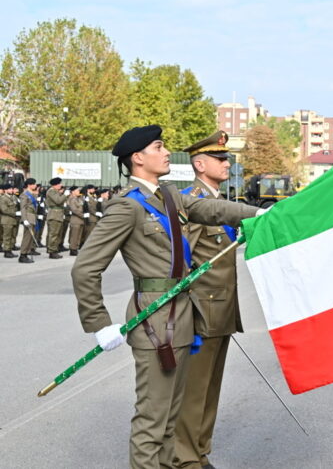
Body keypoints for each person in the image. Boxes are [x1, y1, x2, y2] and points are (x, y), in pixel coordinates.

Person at [71, 125, 260, 469]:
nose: (167, 152)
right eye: (158, 147)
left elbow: (212, 210)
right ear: (138, 158)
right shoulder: (127, 206)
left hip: (183, 316)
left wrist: (261, 214)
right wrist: (99, 323)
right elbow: (85, 268)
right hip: (154, 321)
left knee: (171, 421)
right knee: (152, 421)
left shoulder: (169, 196)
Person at [173, 131, 243, 469]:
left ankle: (200, 451)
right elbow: (181, 261)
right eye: (220, 159)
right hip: (202, 311)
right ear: (200, 165)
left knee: (211, 386)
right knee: (194, 389)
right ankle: (184, 457)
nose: (227, 164)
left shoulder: (217, 200)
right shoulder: (194, 203)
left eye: (226, 158)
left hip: (222, 309)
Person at [19, 178, 40, 263]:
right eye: (34, 184)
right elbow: (23, 208)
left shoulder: (32, 194)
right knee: (27, 237)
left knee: (30, 238)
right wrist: (24, 219)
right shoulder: (24, 194)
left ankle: (26, 253)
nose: (35, 185)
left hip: (33, 217)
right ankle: (22, 255)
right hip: (28, 217)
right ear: (29, 185)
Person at [45, 177, 66, 259]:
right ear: (55, 185)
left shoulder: (55, 191)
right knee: (53, 234)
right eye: (59, 183)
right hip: (54, 215)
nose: (61, 185)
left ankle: (54, 249)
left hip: (57, 214)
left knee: (56, 234)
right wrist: (64, 195)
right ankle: (52, 251)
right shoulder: (51, 191)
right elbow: (58, 201)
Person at [1, 183, 18, 258]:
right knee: (7, 237)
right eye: (9, 189)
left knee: (12, 236)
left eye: (11, 189)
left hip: (13, 220)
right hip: (7, 220)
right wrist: (15, 213)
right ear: (5, 190)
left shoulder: (13, 197)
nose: (11, 190)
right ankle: (7, 251)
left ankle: (10, 250)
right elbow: (4, 210)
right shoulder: (3, 198)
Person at [67, 186, 85, 256]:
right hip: (76, 220)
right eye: (77, 191)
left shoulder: (79, 199)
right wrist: (83, 216)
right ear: (73, 192)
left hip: (80, 220)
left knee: (78, 236)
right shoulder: (72, 199)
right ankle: (73, 249)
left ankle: (76, 248)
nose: (79, 192)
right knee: (74, 236)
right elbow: (74, 210)